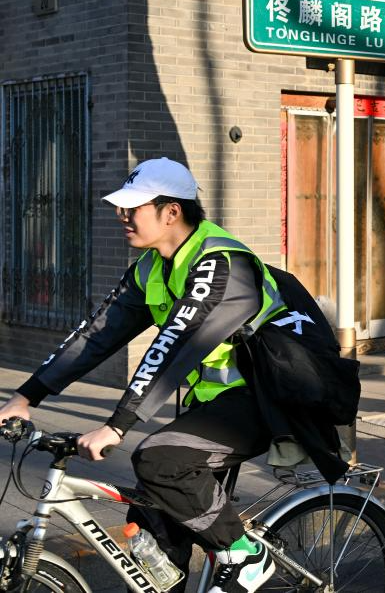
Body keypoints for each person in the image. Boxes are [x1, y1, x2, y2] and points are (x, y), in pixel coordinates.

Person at [0, 157, 341, 593]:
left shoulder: (222, 264)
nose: (122, 215)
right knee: (152, 531)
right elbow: (96, 335)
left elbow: (173, 346)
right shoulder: (151, 267)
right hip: (212, 407)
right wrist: (25, 397)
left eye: (133, 208)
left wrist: (117, 426)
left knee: (159, 460)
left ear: (171, 212)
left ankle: (244, 553)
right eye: (121, 207)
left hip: (264, 401)